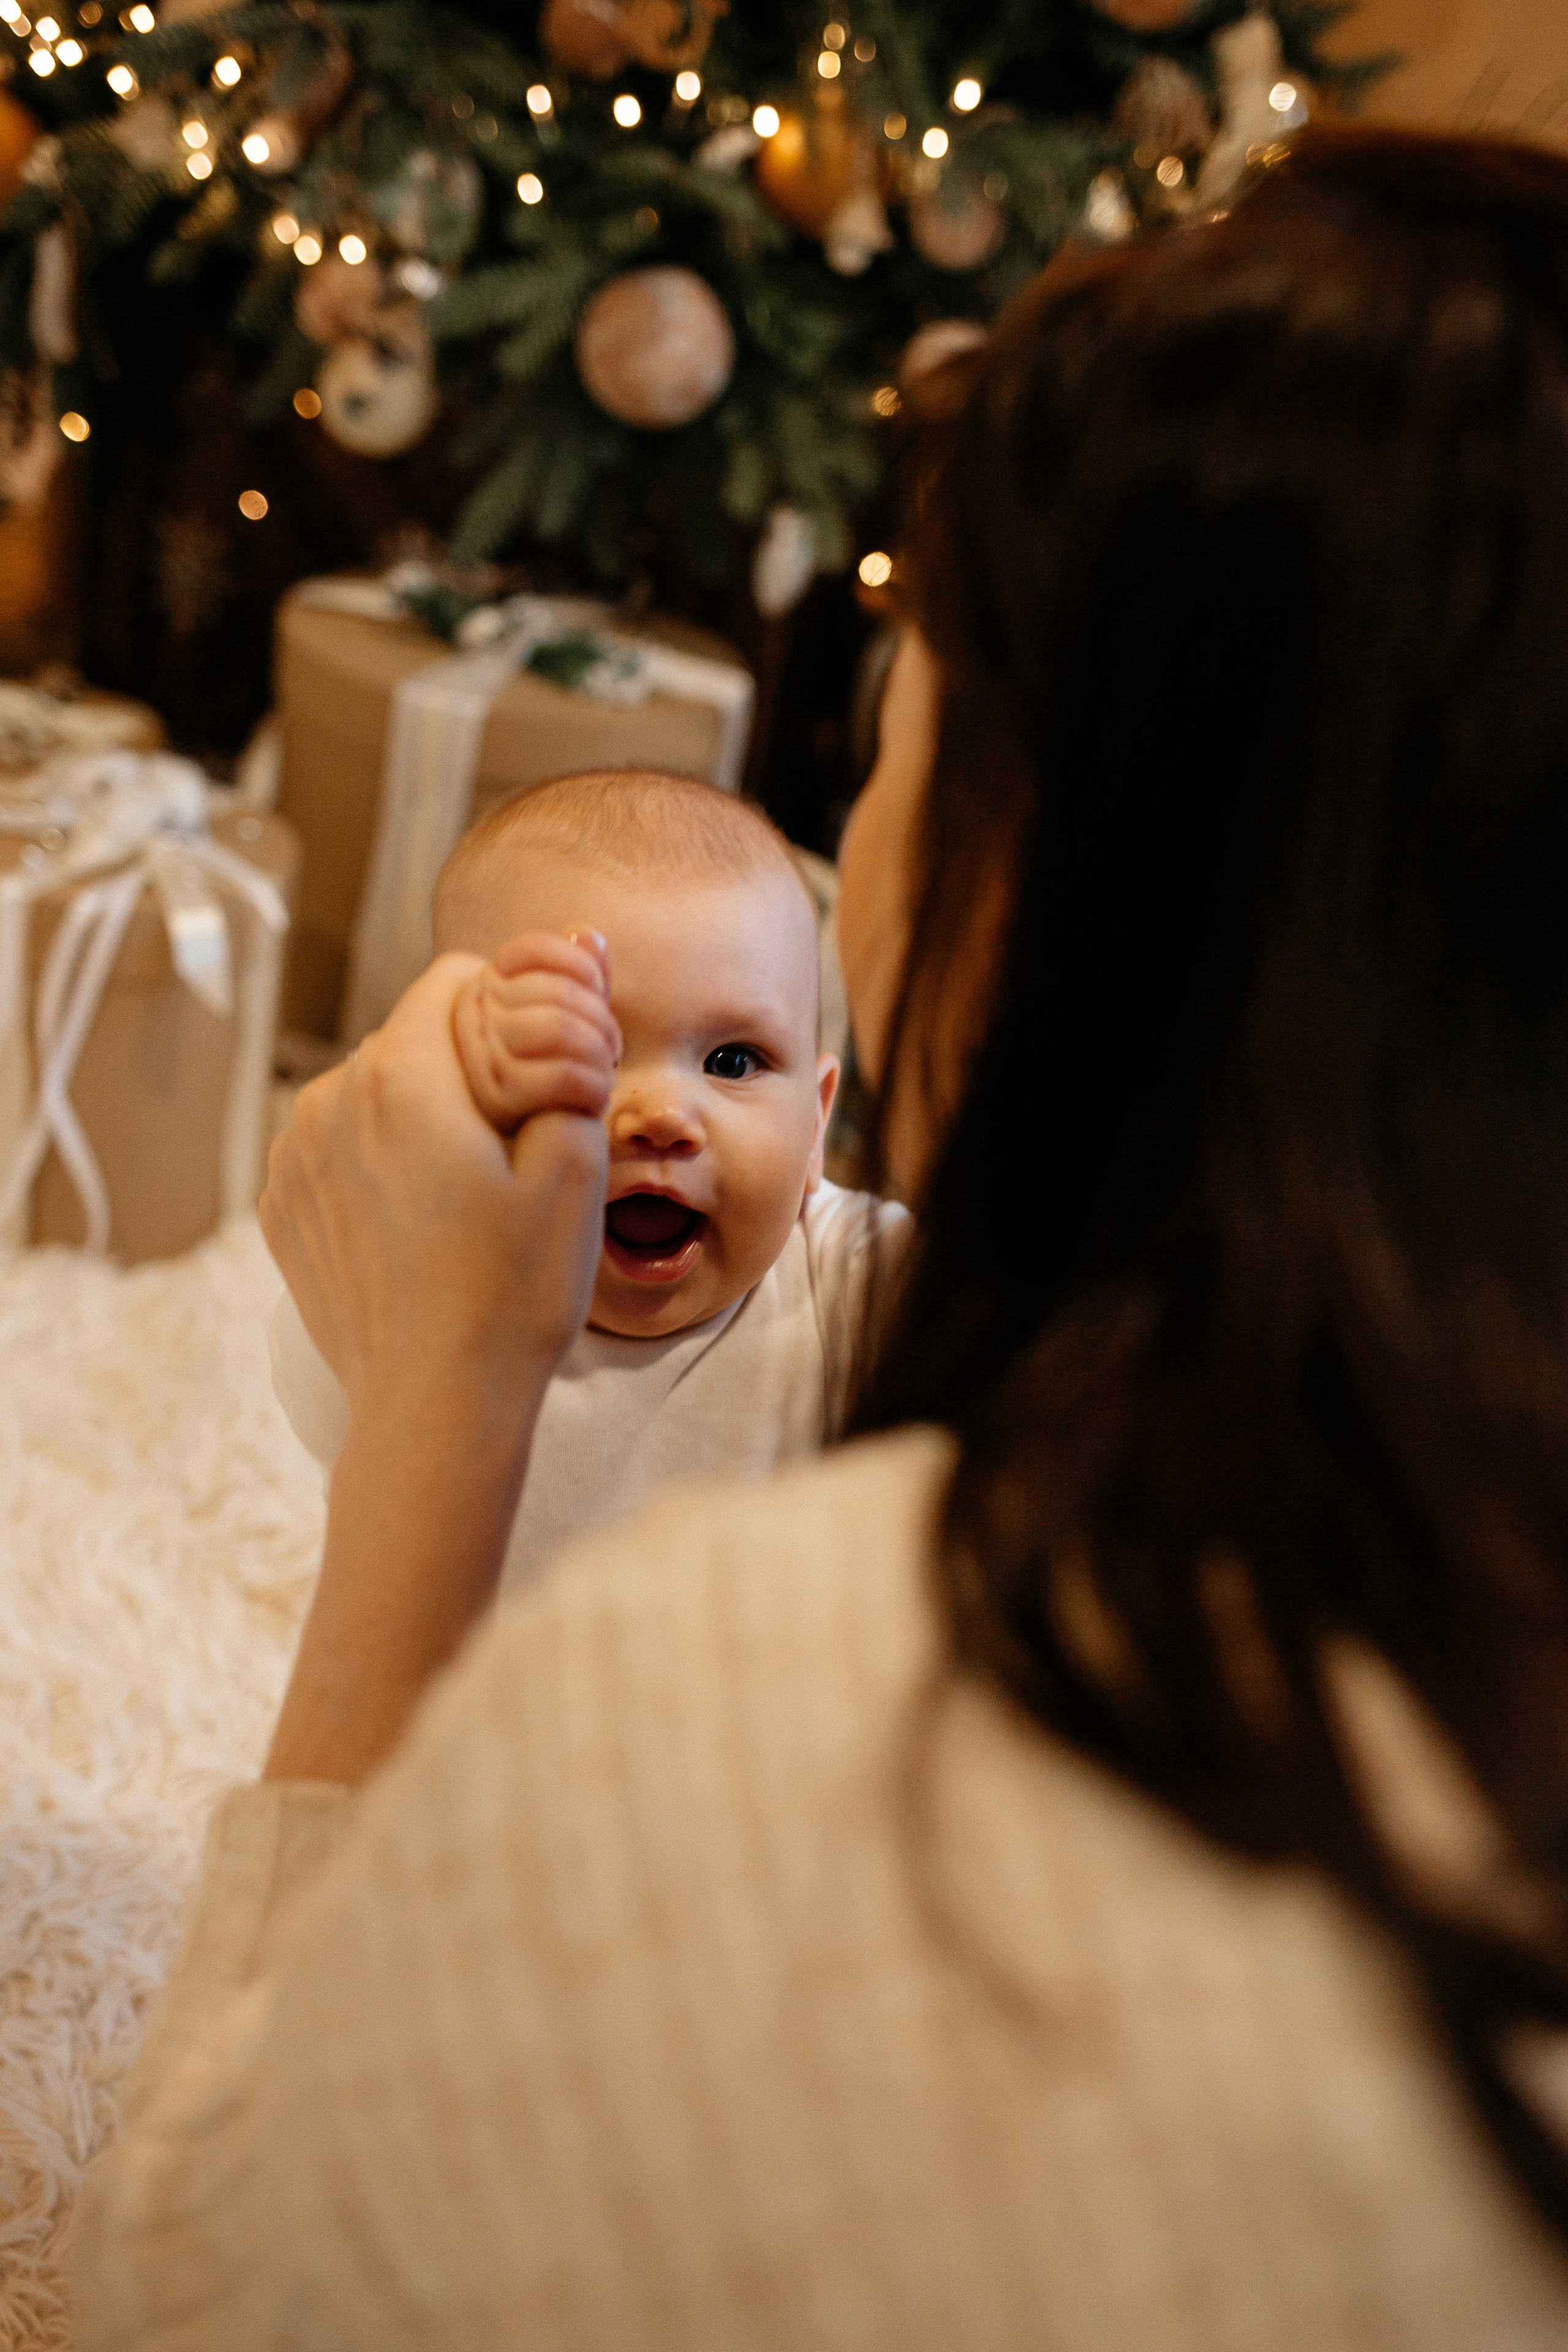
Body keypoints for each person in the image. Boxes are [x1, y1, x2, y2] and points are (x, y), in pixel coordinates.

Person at [71, 129, 1568, 2347]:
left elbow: (188, 2293)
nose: (667, 1111)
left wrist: (443, 1417)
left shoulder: (790, 1675)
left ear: (1049, 880)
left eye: (885, 750)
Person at [269, 768, 905, 1591]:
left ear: (817, 1125)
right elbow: (326, 1399)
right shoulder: (444, 1290)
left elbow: (1001, 1309)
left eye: (732, 1061)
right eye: (589, 1055)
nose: (661, 1115)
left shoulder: (844, 1281)